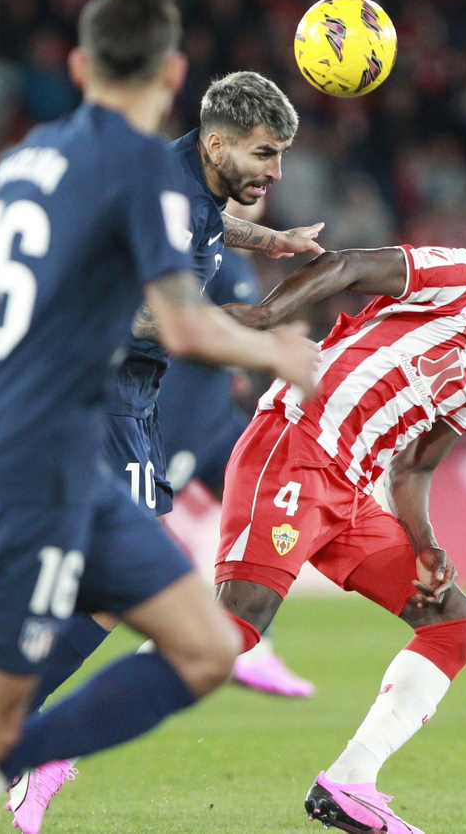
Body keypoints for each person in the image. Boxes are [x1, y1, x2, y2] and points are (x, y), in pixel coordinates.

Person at [0, 0, 318, 834]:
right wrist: (277, 350)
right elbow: (181, 327)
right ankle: (3, 763)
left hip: (22, 443)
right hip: (46, 452)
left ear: (83, 63)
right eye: (265, 155)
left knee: (202, 646)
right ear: (174, 76)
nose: (273, 173)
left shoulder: (31, 159)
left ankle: (8, 761)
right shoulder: (138, 171)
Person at [6, 72, 321, 833]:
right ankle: (21, 735)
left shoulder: (191, 184)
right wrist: (255, 344)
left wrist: (272, 240)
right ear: (218, 143)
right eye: (265, 154)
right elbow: (153, 322)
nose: (276, 172)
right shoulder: (171, 195)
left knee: (104, 581)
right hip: (104, 395)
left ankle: (14, 723)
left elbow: (208, 230)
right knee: (128, 582)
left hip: (124, 401)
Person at [216, 182, 466, 834]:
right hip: (296, 443)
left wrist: (427, 543)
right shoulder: (454, 274)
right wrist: (267, 317)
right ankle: (48, 746)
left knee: (454, 625)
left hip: (349, 491)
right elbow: (345, 265)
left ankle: (350, 780)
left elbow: (413, 467)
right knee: (231, 632)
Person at [164, 230, 317, 700]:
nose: (262, 188)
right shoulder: (220, 264)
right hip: (177, 418)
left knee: (268, 502)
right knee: (124, 530)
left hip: (214, 422)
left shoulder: (217, 256)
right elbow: (192, 331)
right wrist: (274, 346)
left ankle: (253, 645)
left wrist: (236, 370)